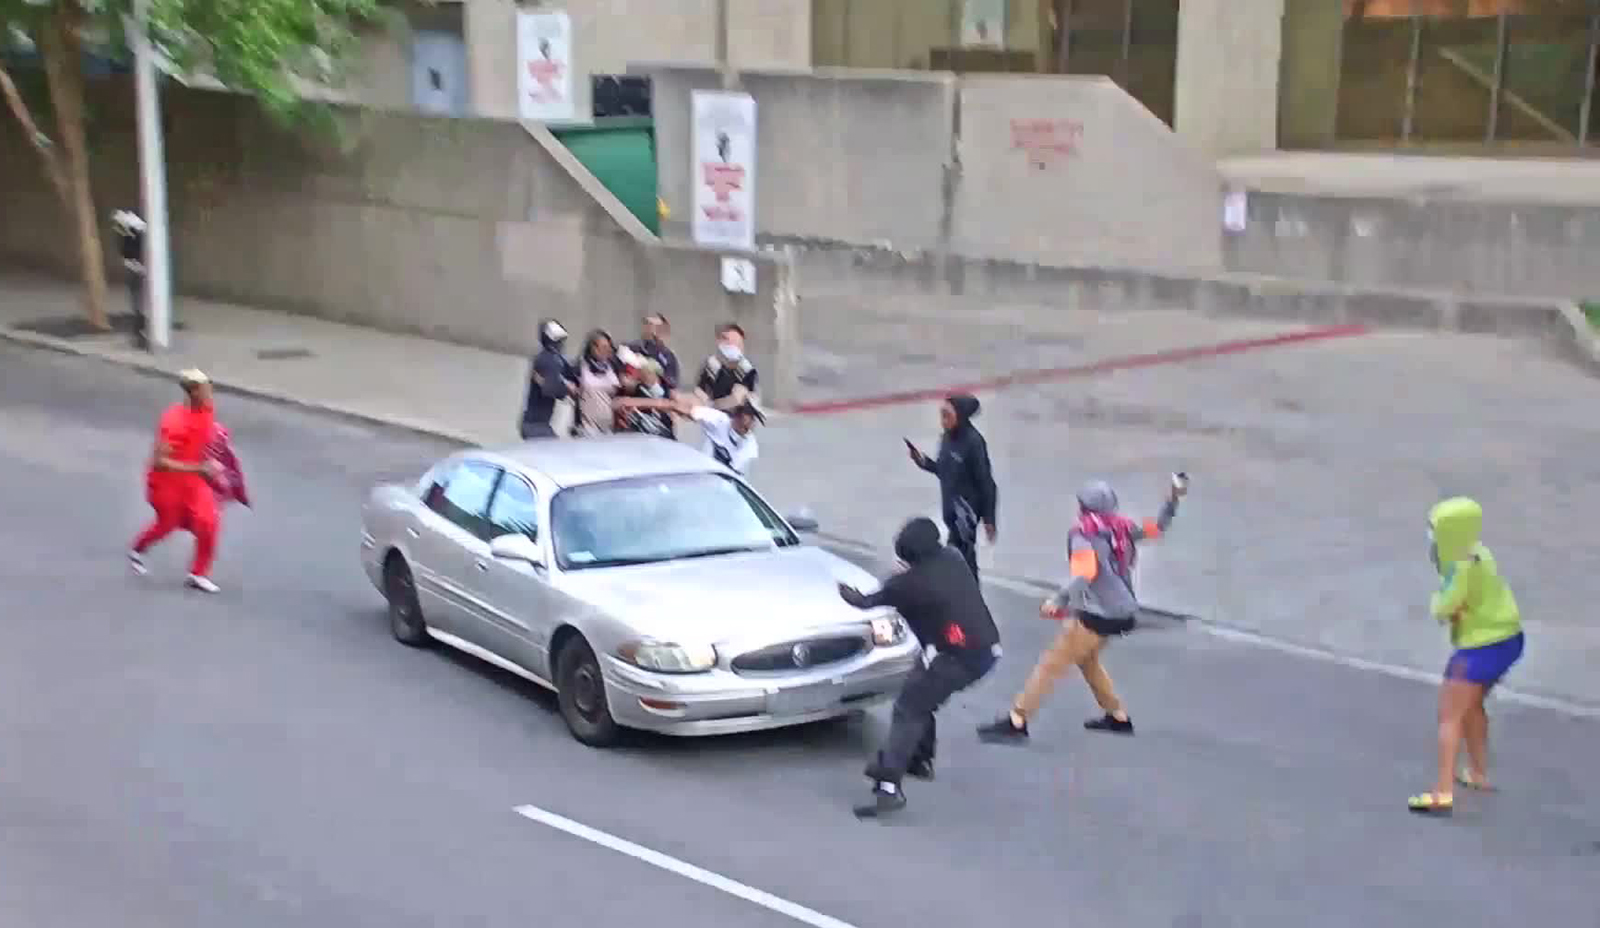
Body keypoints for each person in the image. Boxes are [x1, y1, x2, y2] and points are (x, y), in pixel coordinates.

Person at [978, 476, 1184, 744]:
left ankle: (1018, 719)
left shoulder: (1083, 534)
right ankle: (1117, 716)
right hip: (1124, 611)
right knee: (1088, 661)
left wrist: (1058, 600)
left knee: (1050, 665)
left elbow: (1086, 573)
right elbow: (1159, 527)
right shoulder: (1122, 527)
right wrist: (1174, 499)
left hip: (1097, 614)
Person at [838, 517, 1001, 819]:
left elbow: (865, 601)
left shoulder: (909, 583)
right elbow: (929, 585)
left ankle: (888, 786)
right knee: (920, 691)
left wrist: (845, 591)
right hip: (985, 648)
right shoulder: (953, 558)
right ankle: (920, 759)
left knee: (908, 708)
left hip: (958, 657)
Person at [1408, 497, 1524, 817]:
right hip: (1509, 641)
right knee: (1472, 706)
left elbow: (1444, 609)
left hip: (1479, 648)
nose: (1431, 536)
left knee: (1450, 716)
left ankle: (1442, 792)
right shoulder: (1479, 552)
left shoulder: (1459, 568)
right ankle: (1479, 773)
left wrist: (1438, 602)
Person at [128, 369, 226, 593]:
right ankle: (137, 550)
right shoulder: (175, 423)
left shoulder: (207, 407)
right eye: (206, 388)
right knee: (167, 524)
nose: (211, 391)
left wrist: (215, 456)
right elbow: (159, 462)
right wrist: (199, 467)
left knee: (208, 522)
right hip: (166, 486)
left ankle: (198, 574)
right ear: (193, 392)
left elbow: (204, 435)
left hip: (193, 482)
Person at [906, 394, 997, 577]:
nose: (942, 420)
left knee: (959, 558)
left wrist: (989, 519)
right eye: (942, 415)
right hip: (951, 512)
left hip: (966, 513)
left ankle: (965, 597)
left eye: (947, 415)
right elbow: (943, 470)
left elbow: (986, 482)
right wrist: (923, 462)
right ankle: (966, 597)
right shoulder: (947, 438)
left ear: (960, 416)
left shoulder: (974, 443)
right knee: (960, 561)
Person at [519, 319, 577, 440]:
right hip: (535, 425)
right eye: (560, 341)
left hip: (539, 424)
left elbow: (571, 372)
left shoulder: (555, 359)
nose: (562, 344)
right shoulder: (546, 359)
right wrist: (567, 388)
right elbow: (552, 389)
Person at [678, 395, 763, 476]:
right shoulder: (720, 419)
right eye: (749, 415)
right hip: (699, 471)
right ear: (739, 413)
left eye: (754, 419)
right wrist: (670, 405)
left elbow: (740, 473)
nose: (751, 423)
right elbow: (692, 411)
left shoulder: (750, 444)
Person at [612, 351, 678, 438]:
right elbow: (622, 403)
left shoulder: (647, 390)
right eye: (626, 374)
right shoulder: (619, 396)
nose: (627, 377)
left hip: (663, 438)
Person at [695, 323, 759, 410]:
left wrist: (713, 405)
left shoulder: (747, 370)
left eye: (736, 343)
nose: (731, 346)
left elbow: (739, 400)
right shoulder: (711, 365)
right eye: (727, 341)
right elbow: (699, 392)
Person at [572, 329, 621, 437]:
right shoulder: (579, 367)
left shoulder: (612, 366)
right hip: (587, 429)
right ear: (593, 348)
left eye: (608, 347)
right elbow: (571, 391)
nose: (607, 351)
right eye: (603, 347)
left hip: (609, 429)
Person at [629, 313, 681, 393]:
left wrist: (657, 376)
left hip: (659, 396)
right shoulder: (633, 347)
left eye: (654, 327)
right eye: (647, 325)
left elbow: (672, 384)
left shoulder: (669, 356)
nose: (650, 329)